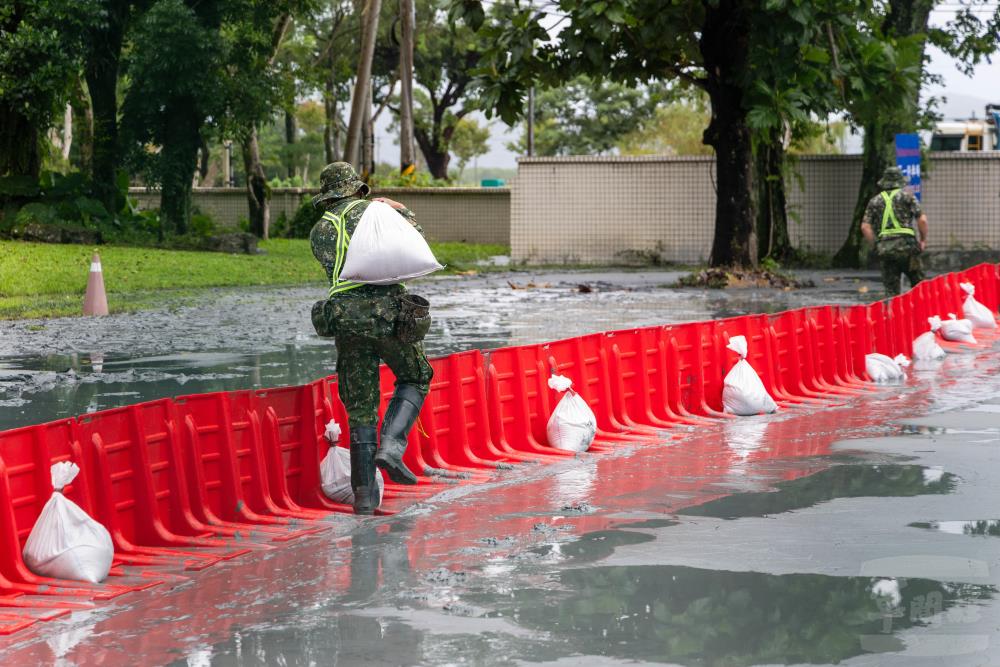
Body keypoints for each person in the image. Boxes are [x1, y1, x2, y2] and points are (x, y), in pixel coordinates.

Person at [310, 162, 433, 515]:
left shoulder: (319, 231)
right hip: (388, 314)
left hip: (345, 319)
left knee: (360, 406)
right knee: (416, 376)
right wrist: (399, 208)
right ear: (355, 188)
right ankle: (391, 446)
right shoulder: (375, 213)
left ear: (328, 195)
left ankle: (364, 496)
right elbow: (415, 237)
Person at [860, 166, 928, 297]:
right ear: (900, 181)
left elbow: (865, 227)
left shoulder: (874, 201)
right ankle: (920, 308)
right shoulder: (908, 197)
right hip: (907, 248)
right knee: (919, 285)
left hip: (885, 249)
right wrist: (923, 240)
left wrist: (876, 245)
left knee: (891, 292)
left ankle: (893, 309)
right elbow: (922, 220)